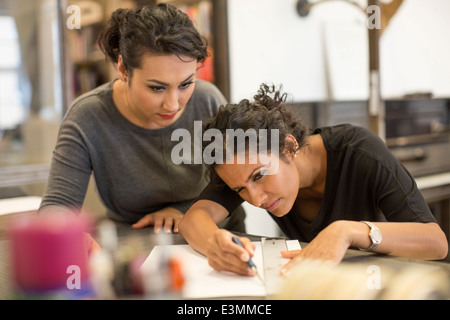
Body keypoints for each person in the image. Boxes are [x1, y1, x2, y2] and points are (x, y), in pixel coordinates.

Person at [178, 83, 448, 277]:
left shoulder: (362, 153)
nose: (256, 199)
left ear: (288, 147)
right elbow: (193, 220)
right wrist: (217, 245)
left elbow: (435, 243)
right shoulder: (241, 165)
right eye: (240, 190)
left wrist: (347, 231)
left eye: (260, 176)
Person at [38, 3, 246, 246]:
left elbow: (240, 180)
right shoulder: (87, 117)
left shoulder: (208, 100)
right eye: (157, 87)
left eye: (185, 84)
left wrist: (186, 210)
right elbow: (56, 207)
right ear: (123, 69)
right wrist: (69, 236)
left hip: (219, 237)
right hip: (135, 248)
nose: (172, 104)